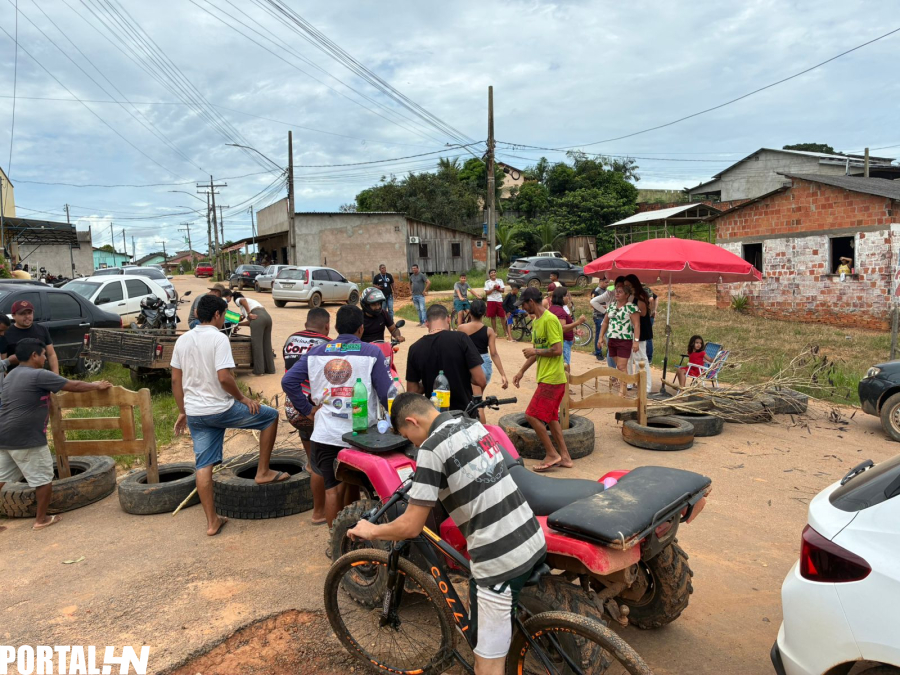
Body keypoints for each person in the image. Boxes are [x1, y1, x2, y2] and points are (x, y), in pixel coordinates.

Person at [348, 392, 546, 675]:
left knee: (486, 666)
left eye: (409, 437)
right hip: (530, 536)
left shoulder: (431, 448)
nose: (414, 445)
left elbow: (411, 526)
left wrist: (372, 529)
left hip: (501, 560)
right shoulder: (471, 424)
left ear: (411, 421)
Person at [171, 295, 282, 537]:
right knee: (270, 416)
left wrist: (183, 411)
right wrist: (243, 399)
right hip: (221, 409)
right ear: (218, 315)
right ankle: (263, 472)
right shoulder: (219, 338)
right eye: (223, 315)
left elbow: (175, 380)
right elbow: (224, 377)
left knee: (203, 466)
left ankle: (212, 522)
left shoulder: (183, 340)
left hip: (197, 415)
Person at [282, 305, 391, 526]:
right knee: (354, 484)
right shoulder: (371, 352)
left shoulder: (316, 353)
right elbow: (387, 394)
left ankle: (336, 543)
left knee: (331, 490)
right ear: (361, 329)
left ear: (336, 327)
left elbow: (288, 381)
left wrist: (307, 409)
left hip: (325, 433)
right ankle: (354, 539)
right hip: (359, 435)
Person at [0, 339, 111, 530]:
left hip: (4, 435)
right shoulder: (38, 375)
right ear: (34, 355)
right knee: (43, 478)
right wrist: (95, 385)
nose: (45, 358)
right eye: (43, 354)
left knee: (1, 477)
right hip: (27, 437)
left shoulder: (11, 375)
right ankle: (41, 520)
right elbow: (72, 385)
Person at [512, 287, 572, 473]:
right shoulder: (537, 322)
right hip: (546, 377)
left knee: (531, 414)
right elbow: (538, 350)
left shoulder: (550, 320)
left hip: (553, 379)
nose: (522, 307)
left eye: (523, 303)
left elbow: (557, 350)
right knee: (552, 418)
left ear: (531, 301)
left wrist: (535, 351)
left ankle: (552, 454)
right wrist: (521, 371)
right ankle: (565, 457)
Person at [282, 308, 331, 526]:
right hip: (314, 410)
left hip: (293, 409)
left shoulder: (291, 339)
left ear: (306, 322)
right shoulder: (327, 344)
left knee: (312, 461)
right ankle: (320, 512)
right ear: (327, 326)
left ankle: (316, 505)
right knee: (323, 465)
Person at [406, 304, 486, 412]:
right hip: (463, 414)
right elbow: (480, 380)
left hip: (434, 417)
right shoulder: (461, 339)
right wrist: (462, 376)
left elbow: (412, 391)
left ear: (426, 323)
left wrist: (428, 381)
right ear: (448, 319)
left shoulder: (415, 348)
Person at [457, 300, 509, 423]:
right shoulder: (489, 331)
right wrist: (503, 374)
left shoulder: (461, 328)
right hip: (484, 364)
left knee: (476, 402)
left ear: (470, 312)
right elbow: (494, 354)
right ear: (484, 314)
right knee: (476, 400)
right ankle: (475, 424)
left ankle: (482, 428)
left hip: (469, 365)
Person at [598, 282, 640, 395]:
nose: (617, 293)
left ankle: (623, 391)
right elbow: (605, 322)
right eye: (616, 291)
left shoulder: (631, 307)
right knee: (618, 366)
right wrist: (600, 337)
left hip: (624, 340)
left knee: (622, 366)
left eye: (620, 292)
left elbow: (636, 325)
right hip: (612, 339)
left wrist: (636, 341)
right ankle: (623, 387)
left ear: (626, 295)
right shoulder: (611, 306)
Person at [229, 290, 275, 375]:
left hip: (258, 319)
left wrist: (249, 313)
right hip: (267, 318)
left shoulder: (239, 300)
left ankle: (258, 371)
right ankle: (270, 369)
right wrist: (238, 324)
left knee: (257, 345)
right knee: (266, 344)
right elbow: (252, 323)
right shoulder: (253, 302)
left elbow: (242, 300)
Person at [5, 301, 58, 374]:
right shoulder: (6, 333)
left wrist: (56, 375)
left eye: (29, 313)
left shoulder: (41, 329)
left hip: (39, 376)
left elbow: (51, 354)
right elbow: (3, 361)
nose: (27, 316)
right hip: (16, 378)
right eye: (22, 314)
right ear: (13, 316)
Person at [624, 275, 652, 394]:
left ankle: (647, 386)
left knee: (641, 358)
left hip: (640, 330)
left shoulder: (639, 297)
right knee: (629, 357)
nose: (627, 287)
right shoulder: (630, 297)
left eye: (628, 285)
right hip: (630, 330)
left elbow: (643, 313)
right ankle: (630, 381)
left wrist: (631, 312)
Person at [548, 286, 586, 368]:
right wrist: (578, 322)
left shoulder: (553, 308)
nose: (568, 298)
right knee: (565, 367)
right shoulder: (560, 311)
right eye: (567, 295)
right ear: (562, 297)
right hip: (563, 343)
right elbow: (562, 328)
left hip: (560, 342)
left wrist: (574, 331)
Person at [590, 283, 614, 361]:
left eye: (608, 282)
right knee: (600, 334)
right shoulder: (598, 291)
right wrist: (605, 311)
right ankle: (598, 352)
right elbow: (592, 302)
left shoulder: (608, 290)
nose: (607, 284)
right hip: (599, 316)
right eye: (605, 282)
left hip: (606, 318)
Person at [483, 269, 506, 335]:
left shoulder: (500, 280)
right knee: (493, 317)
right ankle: (495, 332)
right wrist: (493, 288)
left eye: (494, 272)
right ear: (489, 275)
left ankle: (505, 331)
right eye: (491, 273)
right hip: (491, 300)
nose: (493, 274)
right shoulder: (487, 282)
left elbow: (503, 290)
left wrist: (497, 288)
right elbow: (487, 293)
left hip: (499, 300)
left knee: (502, 316)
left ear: (496, 273)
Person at [0, 314, 10, 403]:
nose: (2, 334)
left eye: (4, 331)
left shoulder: (2, 340)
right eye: (0, 330)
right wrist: (9, 361)